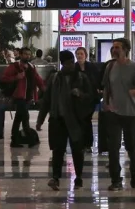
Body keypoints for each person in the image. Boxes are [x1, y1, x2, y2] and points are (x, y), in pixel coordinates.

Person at [37, 50, 95, 190]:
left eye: (72, 62)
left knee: (77, 150)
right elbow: (46, 100)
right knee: (58, 150)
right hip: (58, 119)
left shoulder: (81, 78)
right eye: (68, 63)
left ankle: (79, 178)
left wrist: (80, 94)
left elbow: (91, 97)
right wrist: (40, 119)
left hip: (76, 120)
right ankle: (55, 178)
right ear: (63, 63)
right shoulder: (55, 78)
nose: (71, 65)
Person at [101, 37, 135, 190]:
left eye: (117, 47)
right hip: (114, 112)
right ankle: (115, 180)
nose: (114, 50)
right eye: (113, 47)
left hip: (132, 113)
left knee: (132, 147)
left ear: (125, 50)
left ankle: (134, 174)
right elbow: (106, 87)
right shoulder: (110, 67)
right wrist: (106, 103)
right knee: (113, 147)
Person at [0, 47, 45, 148]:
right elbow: (3, 78)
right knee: (25, 117)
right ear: (20, 55)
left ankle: (14, 140)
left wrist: (44, 89)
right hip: (19, 97)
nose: (27, 56)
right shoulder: (14, 66)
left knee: (18, 118)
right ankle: (30, 139)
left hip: (28, 97)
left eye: (29, 54)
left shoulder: (32, 67)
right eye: (25, 54)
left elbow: (38, 79)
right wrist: (16, 77)